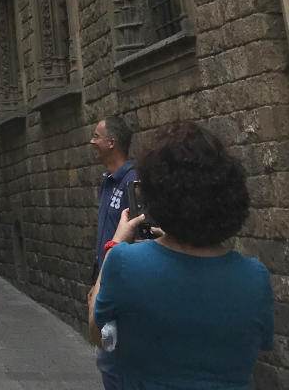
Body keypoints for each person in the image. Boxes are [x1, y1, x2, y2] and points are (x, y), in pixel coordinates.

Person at [90, 121, 273, 389]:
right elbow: (259, 344)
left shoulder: (125, 263)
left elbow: (98, 331)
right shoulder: (255, 277)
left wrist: (114, 244)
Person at [90, 116, 136, 390]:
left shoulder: (132, 182)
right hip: (105, 281)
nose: (92, 141)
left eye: (97, 136)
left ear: (112, 142)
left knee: (114, 363)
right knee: (107, 363)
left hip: (122, 288)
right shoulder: (108, 181)